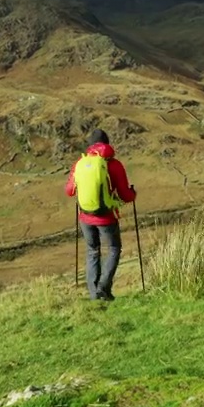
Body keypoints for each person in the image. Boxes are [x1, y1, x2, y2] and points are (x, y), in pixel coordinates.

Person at [65, 128, 136, 301]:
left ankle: (94, 294)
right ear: (107, 144)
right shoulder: (114, 165)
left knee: (92, 251)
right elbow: (125, 195)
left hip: (85, 217)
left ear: (90, 145)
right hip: (106, 217)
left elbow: (69, 191)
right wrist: (133, 193)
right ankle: (103, 289)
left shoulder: (80, 164)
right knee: (113, 249)